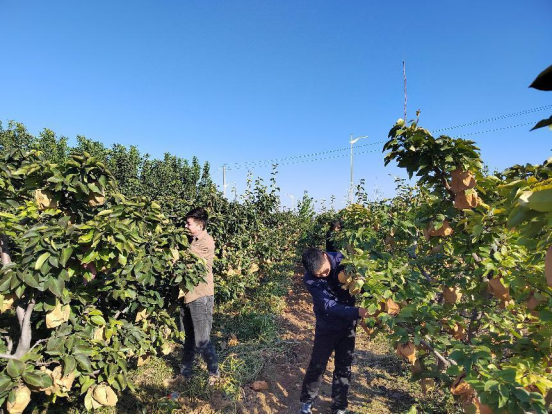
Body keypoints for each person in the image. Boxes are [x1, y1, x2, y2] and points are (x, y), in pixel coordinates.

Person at [299, 247, 367, 414]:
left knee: (344, 366)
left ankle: (339, 406)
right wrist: (358, 312)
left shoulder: (345, 262)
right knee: (318, 364)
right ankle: (307, 402)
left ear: (325, 256)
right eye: (319, 275)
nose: (323, 276)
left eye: (325, 272)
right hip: (326, 325)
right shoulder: (309, 279)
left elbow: (364, 284)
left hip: (348, 325)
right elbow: (328, 305)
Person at [178, 207, 219, 383]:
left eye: (189, 223)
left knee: (202, 340)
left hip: (200, 296)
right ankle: (185, 374)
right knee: (188, 337)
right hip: (187, 294)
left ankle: (214, 373)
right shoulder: (191, 239)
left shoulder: (206, 242)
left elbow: (186, 261)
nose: (186, 226)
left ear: (200, 225)